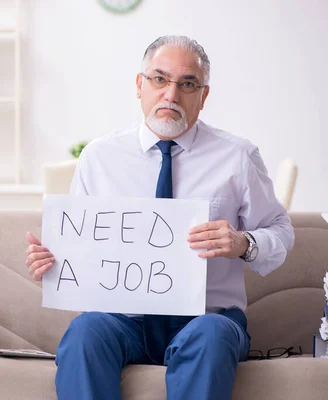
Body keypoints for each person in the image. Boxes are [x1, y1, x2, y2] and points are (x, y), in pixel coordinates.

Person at [24, 35, 295, 400]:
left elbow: (280, 232)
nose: (171, 94)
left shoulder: (238, 157)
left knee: (212, 336)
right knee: (84, 332)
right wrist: (53, 261)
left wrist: (244, 243)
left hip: (206, 320)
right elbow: (80, 247)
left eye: (187, 84)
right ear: (140, 86)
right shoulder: (99, 157)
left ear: (203, 95)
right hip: (123, 320)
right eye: (159, 79)